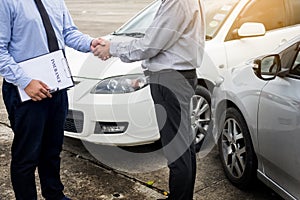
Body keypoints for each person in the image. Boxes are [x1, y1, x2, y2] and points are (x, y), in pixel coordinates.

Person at [92, 0, 205, 199]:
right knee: (183, 145)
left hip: (171, 80)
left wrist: (112, 48)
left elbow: (150, 45)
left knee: (177, 151)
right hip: (176, 77)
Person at [0, 0, 100, 199]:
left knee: (52, 150)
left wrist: (90, 43)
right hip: (26, 91)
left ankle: (54, 194)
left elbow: (68, 32)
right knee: (26, 155)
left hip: (57, 86)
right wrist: (25, 82)